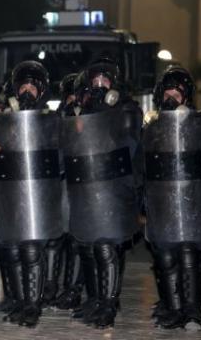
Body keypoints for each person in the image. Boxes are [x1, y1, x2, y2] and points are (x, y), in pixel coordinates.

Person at [61, 58, 143, 328]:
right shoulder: (81, 111)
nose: (99, 85)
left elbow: (126, 145)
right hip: (86, 186)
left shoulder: (127, 109)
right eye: (94, 81)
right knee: (88, 246)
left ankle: (108, 305)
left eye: (104, 80)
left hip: (115, 187)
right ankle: (94, 300)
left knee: (107, 246)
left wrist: (98, 114)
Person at [0, 61, 64, 327]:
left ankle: (32, 306)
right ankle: (20, 302)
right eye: (23, 87)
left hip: (38, 194)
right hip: (10, 193)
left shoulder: (51, 120)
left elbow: (59, 156)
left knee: (32, 250)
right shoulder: (3, 120)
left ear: (42, 90)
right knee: (13, 249)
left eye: (33, 87)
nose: (27, 91)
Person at [144, 66, 201, 330]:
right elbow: (143, 164)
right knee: (164, 255)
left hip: (191, 199)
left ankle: (192, 310)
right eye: (168, 94)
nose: (172, 98)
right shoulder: (152, 126)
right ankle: (173, 308)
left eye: (177, 94)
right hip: (161, 200)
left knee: (188, 253)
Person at [52, 72, 84, 310]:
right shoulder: (56, 116)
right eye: (69, 96)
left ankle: (72, 290)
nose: (73, 100)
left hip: (82, 183)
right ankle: (50, 287)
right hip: (59, 180)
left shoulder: (91, 114)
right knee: (55, 237)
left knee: (76, 239)